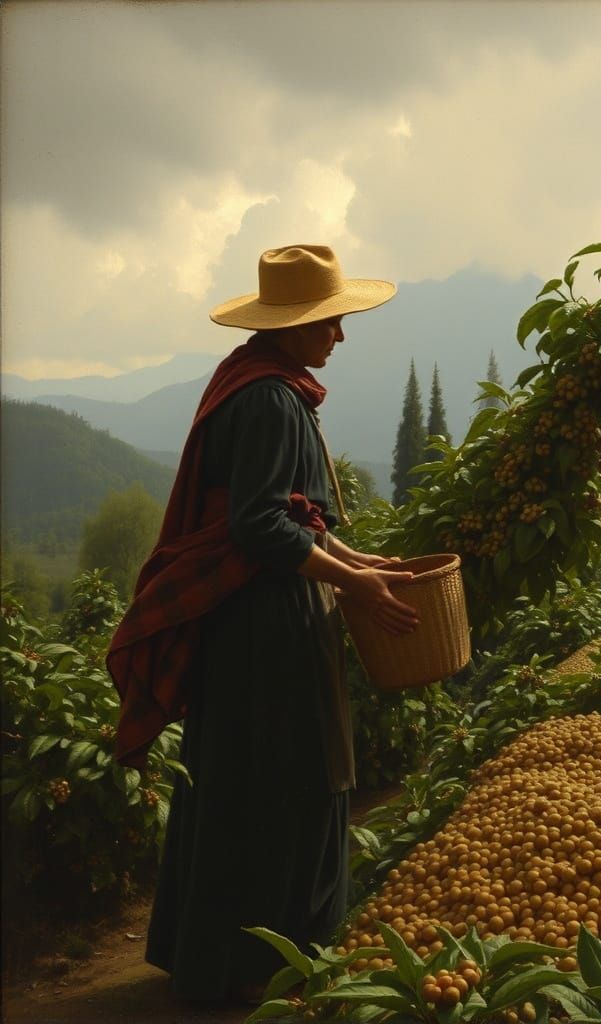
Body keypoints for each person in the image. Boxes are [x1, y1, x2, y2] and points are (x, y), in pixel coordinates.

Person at [106, 244, 420, 1003]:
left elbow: (298, 517)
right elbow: (261, 531)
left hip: (259, 617)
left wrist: (362, 561)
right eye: (329, 322)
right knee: (291, 783)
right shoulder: (271, 400)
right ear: (292, 326)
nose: (339, 335)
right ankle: (269, 971)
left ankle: (225, 962)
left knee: (244, 781)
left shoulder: (259, 386)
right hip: (267, 627)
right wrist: (355, 584)